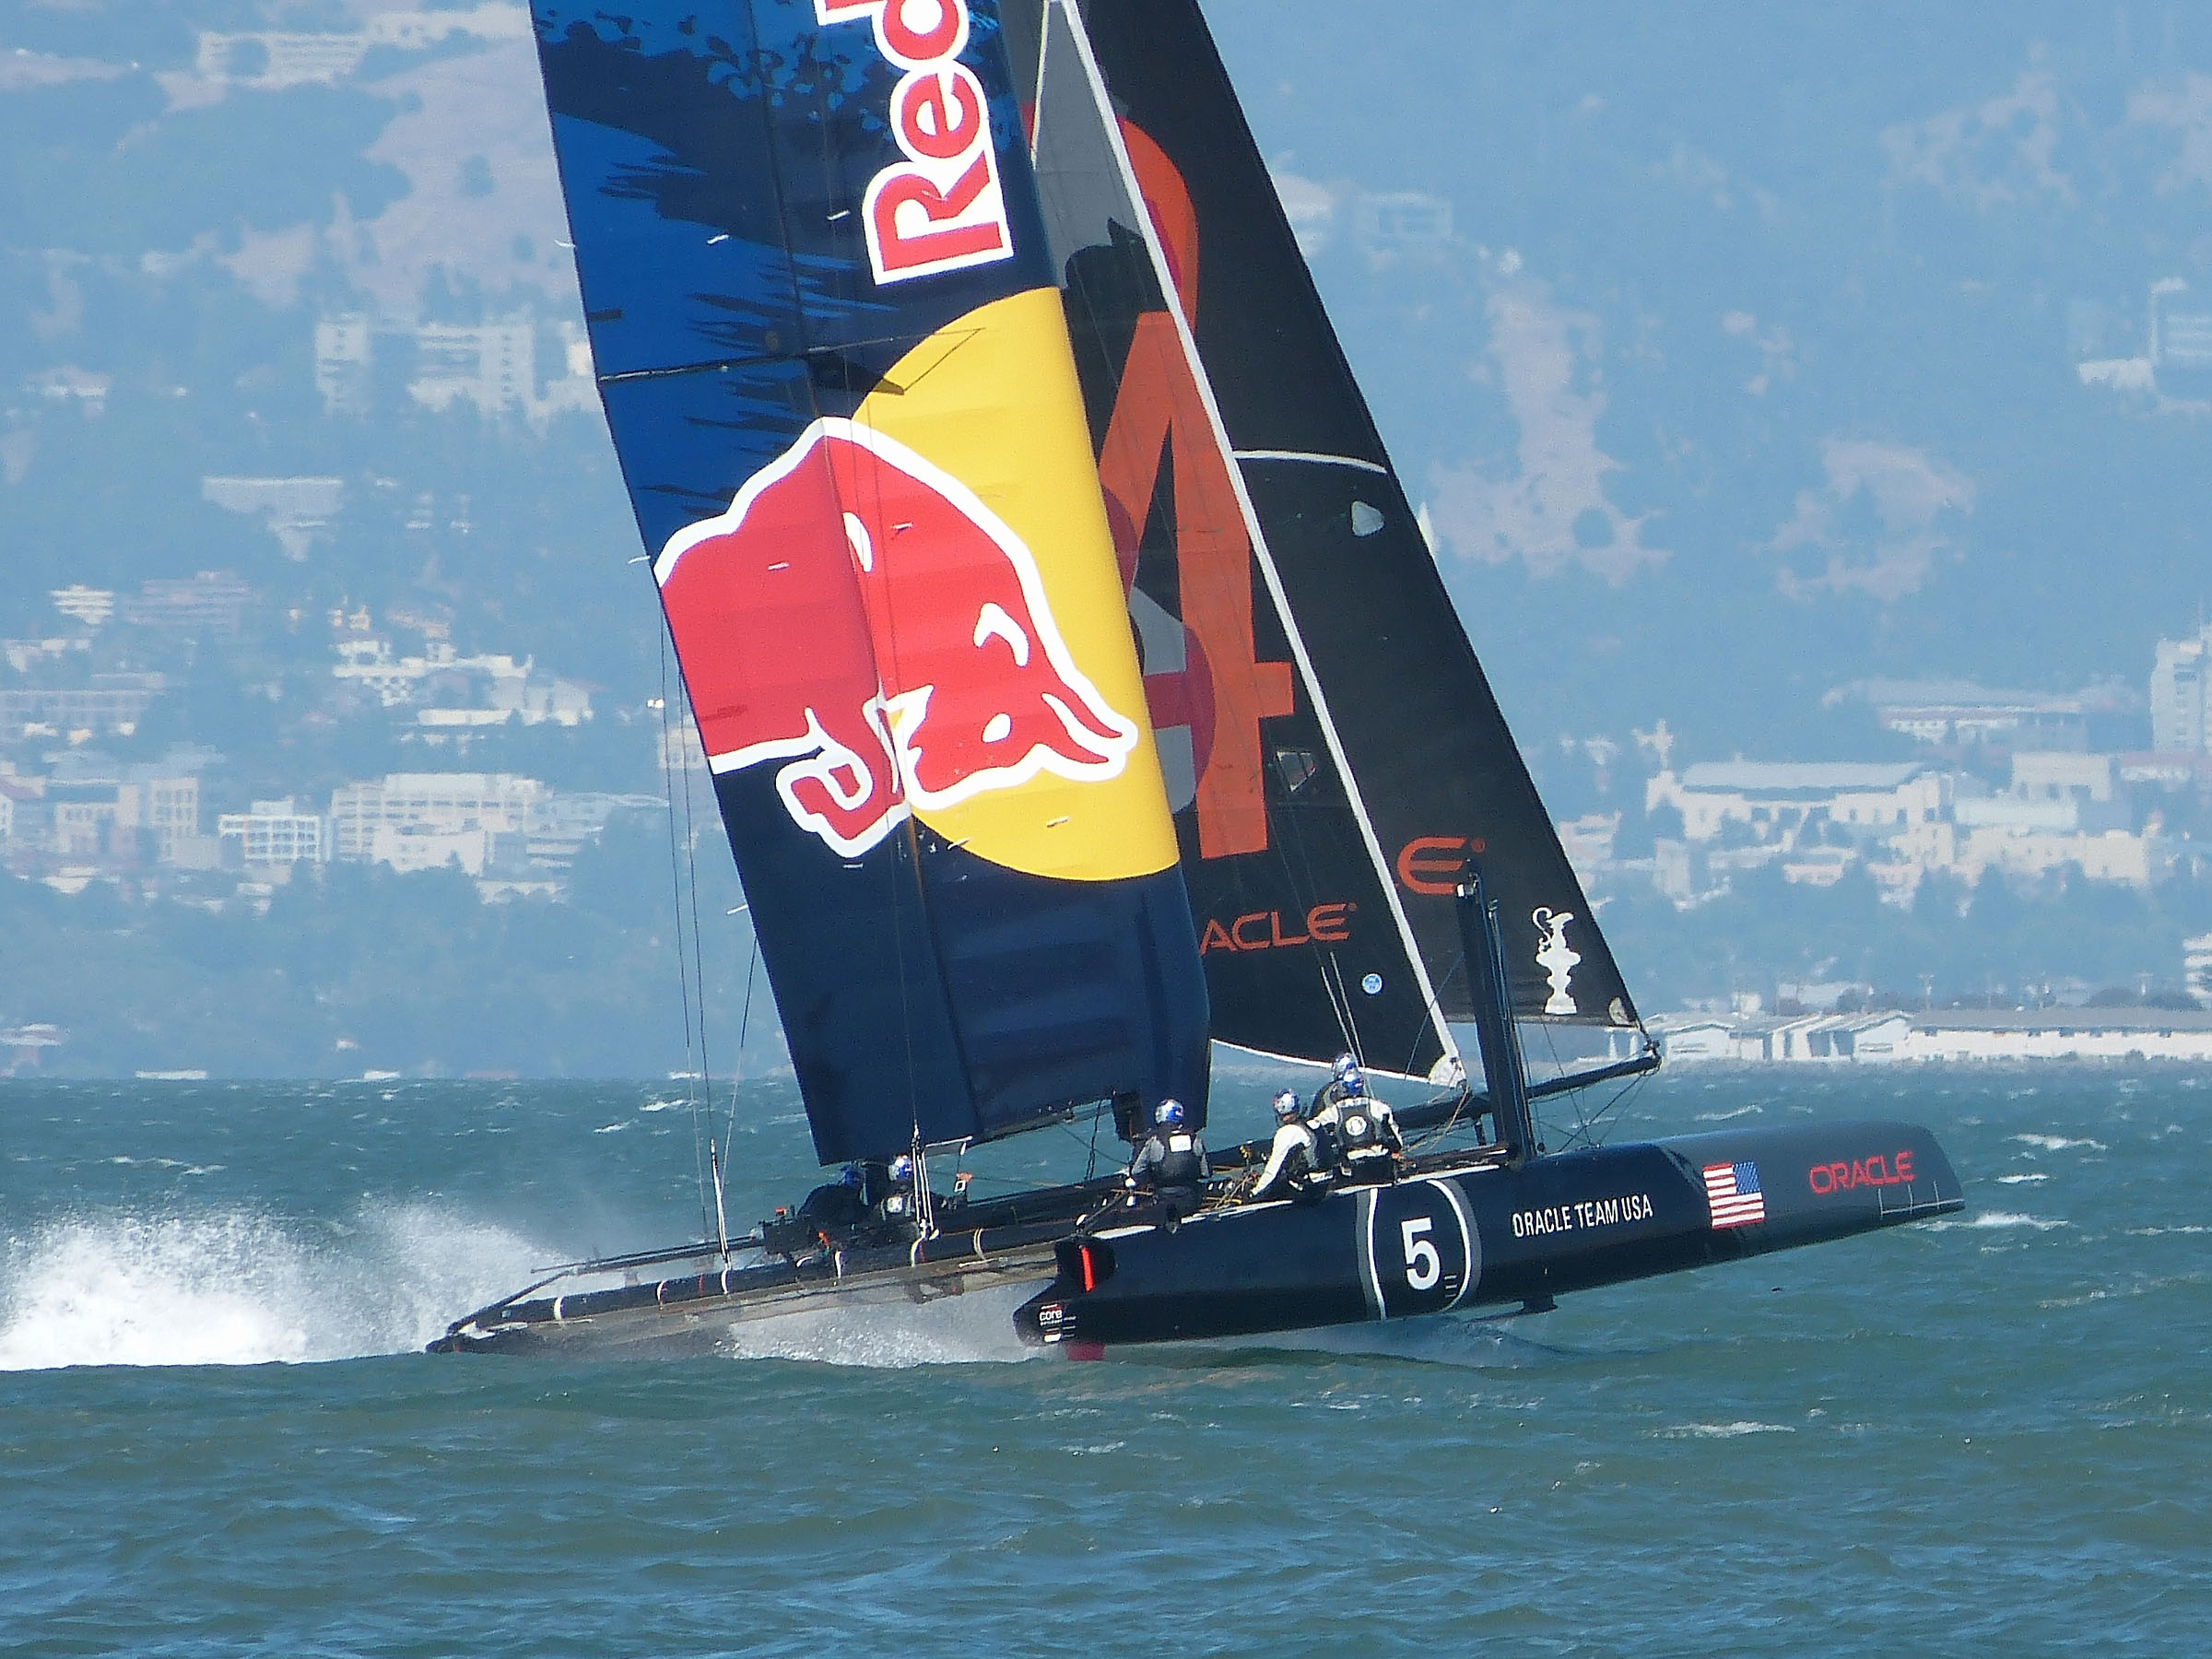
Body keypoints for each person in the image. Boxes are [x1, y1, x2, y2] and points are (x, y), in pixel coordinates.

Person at [1310, 1065, 1402, 1183]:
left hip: (1351, 1167)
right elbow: (1395, 1138)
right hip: (1380, 1163)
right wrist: (1395, 1150)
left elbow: (1314, 1126)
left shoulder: (1333, 1112)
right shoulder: (1379, 1107)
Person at [1124, 1098, 1209, 1222]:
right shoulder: (1194, 1139)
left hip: (1164, 1201)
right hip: (1191, 1200)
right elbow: (1206, 1172)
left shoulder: (1154, 1141)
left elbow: (1137, 1172)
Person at [1250, 1088, 1328, 1204]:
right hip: (1323, 1185)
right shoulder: (1313, 1124)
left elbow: (1273, 1171)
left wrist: (1254, 1193)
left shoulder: (1286, 1132)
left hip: (1306, 1191)